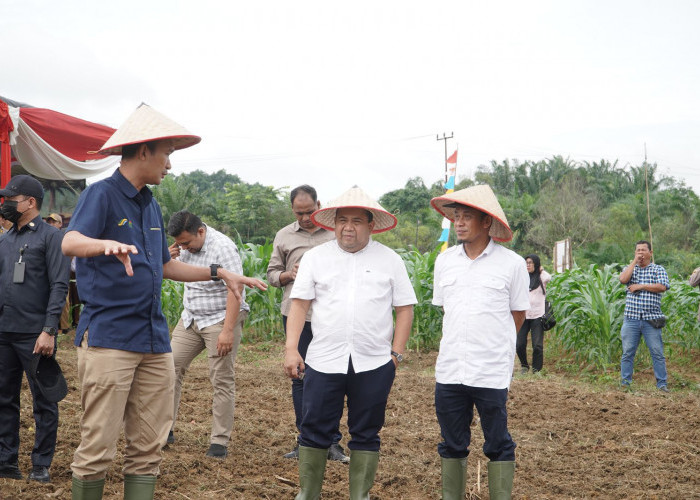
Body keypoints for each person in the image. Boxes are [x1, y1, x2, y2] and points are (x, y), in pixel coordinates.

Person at [62, 104, 266, 500]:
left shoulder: (150, 203)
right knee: (98, 445)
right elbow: (70, 241)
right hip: (110, 337)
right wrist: (105, 244)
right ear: (143, 151)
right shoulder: (101, 195)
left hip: (154, 340)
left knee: (148, 446)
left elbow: (167, 264)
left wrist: (218, 272)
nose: (169, 165)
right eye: (167, 153)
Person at [283, 186, 416, 499]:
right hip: (323, 359)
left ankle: (361, 494)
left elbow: (405, 309)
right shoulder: (316, 258)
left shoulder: (390, 259)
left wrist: (395, 355)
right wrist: (291, 349)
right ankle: (308, 493)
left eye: (357, 221)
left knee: (366, 431)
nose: (348, 227)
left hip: (373, 362)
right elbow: (299, 305)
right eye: (342, 220)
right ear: (333, 223)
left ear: (371, 225)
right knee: (314, 427)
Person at [430, 184, 530, 500]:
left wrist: (494, 344)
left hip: (490, 369)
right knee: (451, 442)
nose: (458, 223)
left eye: (466, 217)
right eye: (455, 217)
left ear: (486, 222)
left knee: (498, 442)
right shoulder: (444, 261)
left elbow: (518, 314)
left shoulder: (512, 263)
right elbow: (449, 308)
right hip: (450, 368)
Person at [267, 185, 348, 463]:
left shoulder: (335, 233)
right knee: (300, 378)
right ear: (292, 210)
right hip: (296, 316)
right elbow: (272, 275)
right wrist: (290, 274)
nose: (304, 217)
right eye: (299, 213)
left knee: (333, 377)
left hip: (331, 315)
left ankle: (333, 443)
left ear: (319, 205)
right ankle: (306, 441)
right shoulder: (284, 236)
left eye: (309, 212)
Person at [0, 175, 71, 483]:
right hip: (4, 332)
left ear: (30, 202)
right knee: (4, 398)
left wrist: (49, 329)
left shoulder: (50, 238)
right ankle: (6, 461)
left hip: (35, 333)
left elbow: (59, 284)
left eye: (10, 199)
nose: (5, 205)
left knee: (43, 400)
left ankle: (40, 463)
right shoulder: (4, 240)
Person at [166, 210, 250, 459]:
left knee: (221, 378)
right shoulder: (181, 248)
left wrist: (227, 330)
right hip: (191, 317)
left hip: (220, 318)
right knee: (169, 368)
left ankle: (219, 441)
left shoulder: (223, 247)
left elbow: (236, 289)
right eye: (179, 244)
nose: (184, 248)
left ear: (201, 231)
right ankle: (164, 429)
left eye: (187, 243)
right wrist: (168, 257)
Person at [618, 240, 670, 392]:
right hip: (631, 318)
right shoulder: (630, 269)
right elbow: (623, 279)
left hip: (651, 319)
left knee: (657, 352)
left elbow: (662, 286)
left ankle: (662, 384)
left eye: (643, 250)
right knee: (627, 352)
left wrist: (640, 286)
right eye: (637, 250)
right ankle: (625, 383)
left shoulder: (657, 269)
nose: (640, 253)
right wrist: (634, 262)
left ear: (650, 253)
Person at [516, 253, 552, 374]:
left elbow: (549, 277)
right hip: (524, 315)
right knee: (519, 343)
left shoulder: (542, 277)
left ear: (536, 264)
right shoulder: (523, 278)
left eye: (531, 263)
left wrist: (541, 269)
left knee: (537, 345)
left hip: (538, 315)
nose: (528, 265)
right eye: (526, 263)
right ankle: (524, 366)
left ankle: (536, 370)